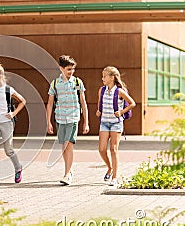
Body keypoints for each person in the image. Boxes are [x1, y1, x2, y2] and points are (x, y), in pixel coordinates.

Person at [46, 55, 89, 185]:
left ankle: (67, 174)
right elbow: (49, 104)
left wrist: (86, 122)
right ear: (61, 68)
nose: (71, 72)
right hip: (60, 118)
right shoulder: (55, 84)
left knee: (69, 144)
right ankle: (69, 171)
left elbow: (83, 103)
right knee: (64, 146)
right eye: (69, 69)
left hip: (73, 117)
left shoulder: (77, 83)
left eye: (73, 69)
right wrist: (48, 122)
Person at [0, 62, 26, 187]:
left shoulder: (8, 90)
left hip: (7, 123)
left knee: (8, 150)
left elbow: (23, 101)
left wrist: (13, 114)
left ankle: (18, 168)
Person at [95, 66, 135, 187]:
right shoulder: (101, 90)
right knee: (102, 149)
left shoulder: (119, 91)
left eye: (105, 76)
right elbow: (99, 103)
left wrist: (121, 112)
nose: (102, 78)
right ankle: (110, 167)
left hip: (116, 123)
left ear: (112, 78)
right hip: (104, 123)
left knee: (113, 149)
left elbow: (133, 103)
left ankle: (114, 177)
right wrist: (98, 111)